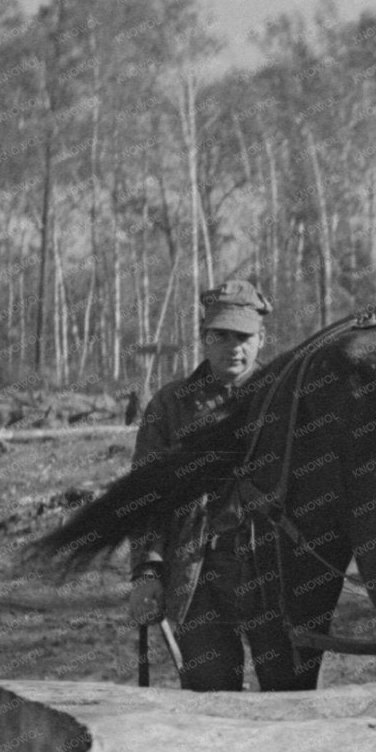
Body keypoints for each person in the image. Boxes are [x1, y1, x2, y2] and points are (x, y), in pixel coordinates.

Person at [127, 280, 293, 690]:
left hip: (276, 573)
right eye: (221, 336)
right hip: (198, 575)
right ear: (203, 338)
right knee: (209, 701)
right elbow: (146, 497)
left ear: (262, 339)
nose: (233, 347)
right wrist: (147, 571)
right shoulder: (171, 406)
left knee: (289, 698)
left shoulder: (285, 401)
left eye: (244, 337)